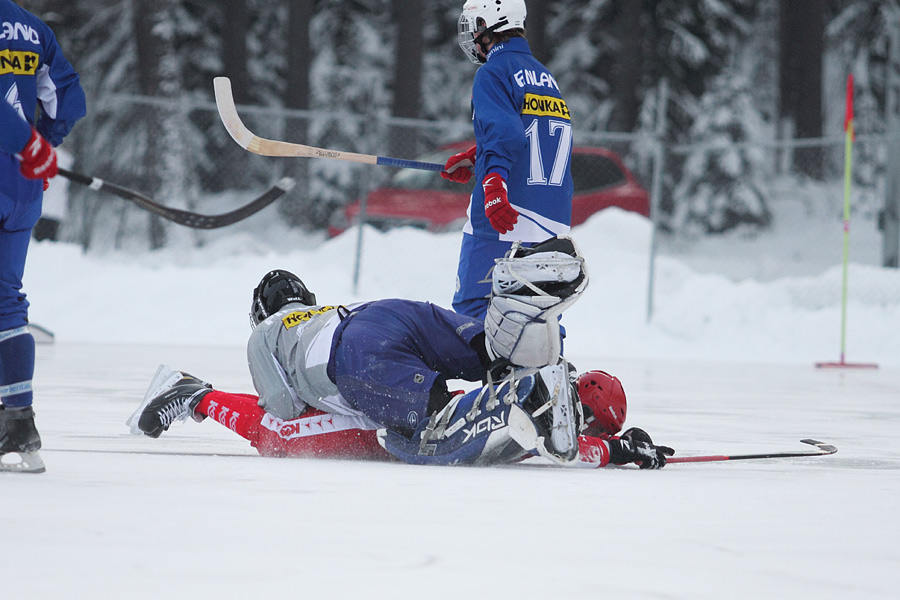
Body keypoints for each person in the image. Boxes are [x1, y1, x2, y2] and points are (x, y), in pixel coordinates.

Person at [128, 237, 674, 469]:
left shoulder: (265, 333)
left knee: (423, 432)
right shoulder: (326, 309)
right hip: (393, 313)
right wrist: (611, 450)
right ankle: (579, 401)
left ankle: (192, 395)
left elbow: (284, 412)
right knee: (492, 356)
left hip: (356, 353)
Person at [442, 0, 574, 321]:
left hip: (506, 217)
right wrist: (479, 156)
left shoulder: (493, 72)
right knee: (537, 317)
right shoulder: (544, 76)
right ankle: (547, 372)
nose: (474, 38)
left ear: (492, 25)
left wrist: (493, 181)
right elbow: (531, 135)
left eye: (477, 28)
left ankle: (505, 373)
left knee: (474, 315)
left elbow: (505, 132)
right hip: (552, 222)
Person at [0, 0, 86, 474]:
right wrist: (42, 145)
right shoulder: (32, 29)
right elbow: (69, 98)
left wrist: (30, 145)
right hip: (20, 183)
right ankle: (18, 426)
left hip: (11, 156)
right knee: (6, 303)